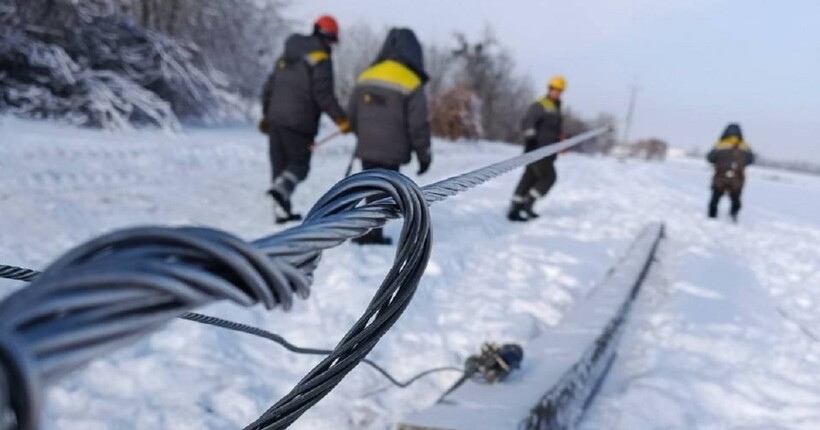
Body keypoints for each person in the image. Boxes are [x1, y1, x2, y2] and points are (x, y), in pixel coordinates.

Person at [260, 15, 351, 224]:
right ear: (327, 37)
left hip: (276, 119)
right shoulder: (320, 58)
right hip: (299, 121)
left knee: (280, 166)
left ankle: (281, 211)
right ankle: (281, 195)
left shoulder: (287, 56)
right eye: (332, 41)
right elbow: (323, 93)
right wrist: (341, 120)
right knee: (299, 165)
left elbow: (269, 86)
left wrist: (266, 115)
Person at [347, 28, 432, 245]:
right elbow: (418, 125)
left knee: (370, 185)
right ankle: (373, 232)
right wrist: (424, 154)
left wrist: (363, 134)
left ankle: (369, 228)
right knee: (385, 189)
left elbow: (352, 114)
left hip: (367, 144)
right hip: (393, 149)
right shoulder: (411, 81)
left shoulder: (367, 74)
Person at [507, 76, 566, 222]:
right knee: (549, 177)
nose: (557, 92)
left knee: (529, 178)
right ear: (549, 89)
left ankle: (516, 207)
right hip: (538, 150)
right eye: (554, 89)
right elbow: (528, 123)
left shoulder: (556, 107)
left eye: (559, 90)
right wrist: (532, 142)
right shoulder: (541, 105)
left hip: (548, 151)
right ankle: (527, 204)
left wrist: (560, 140)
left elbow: (552, 130)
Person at [707, 123, 754, 222]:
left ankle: (711, 217)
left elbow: (710, 158)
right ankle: (733, 216)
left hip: (720, 176)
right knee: (735, 198)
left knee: (715, 197)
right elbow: (751, 160)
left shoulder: (720, 144)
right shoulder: (745, 146)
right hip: (738, 178)